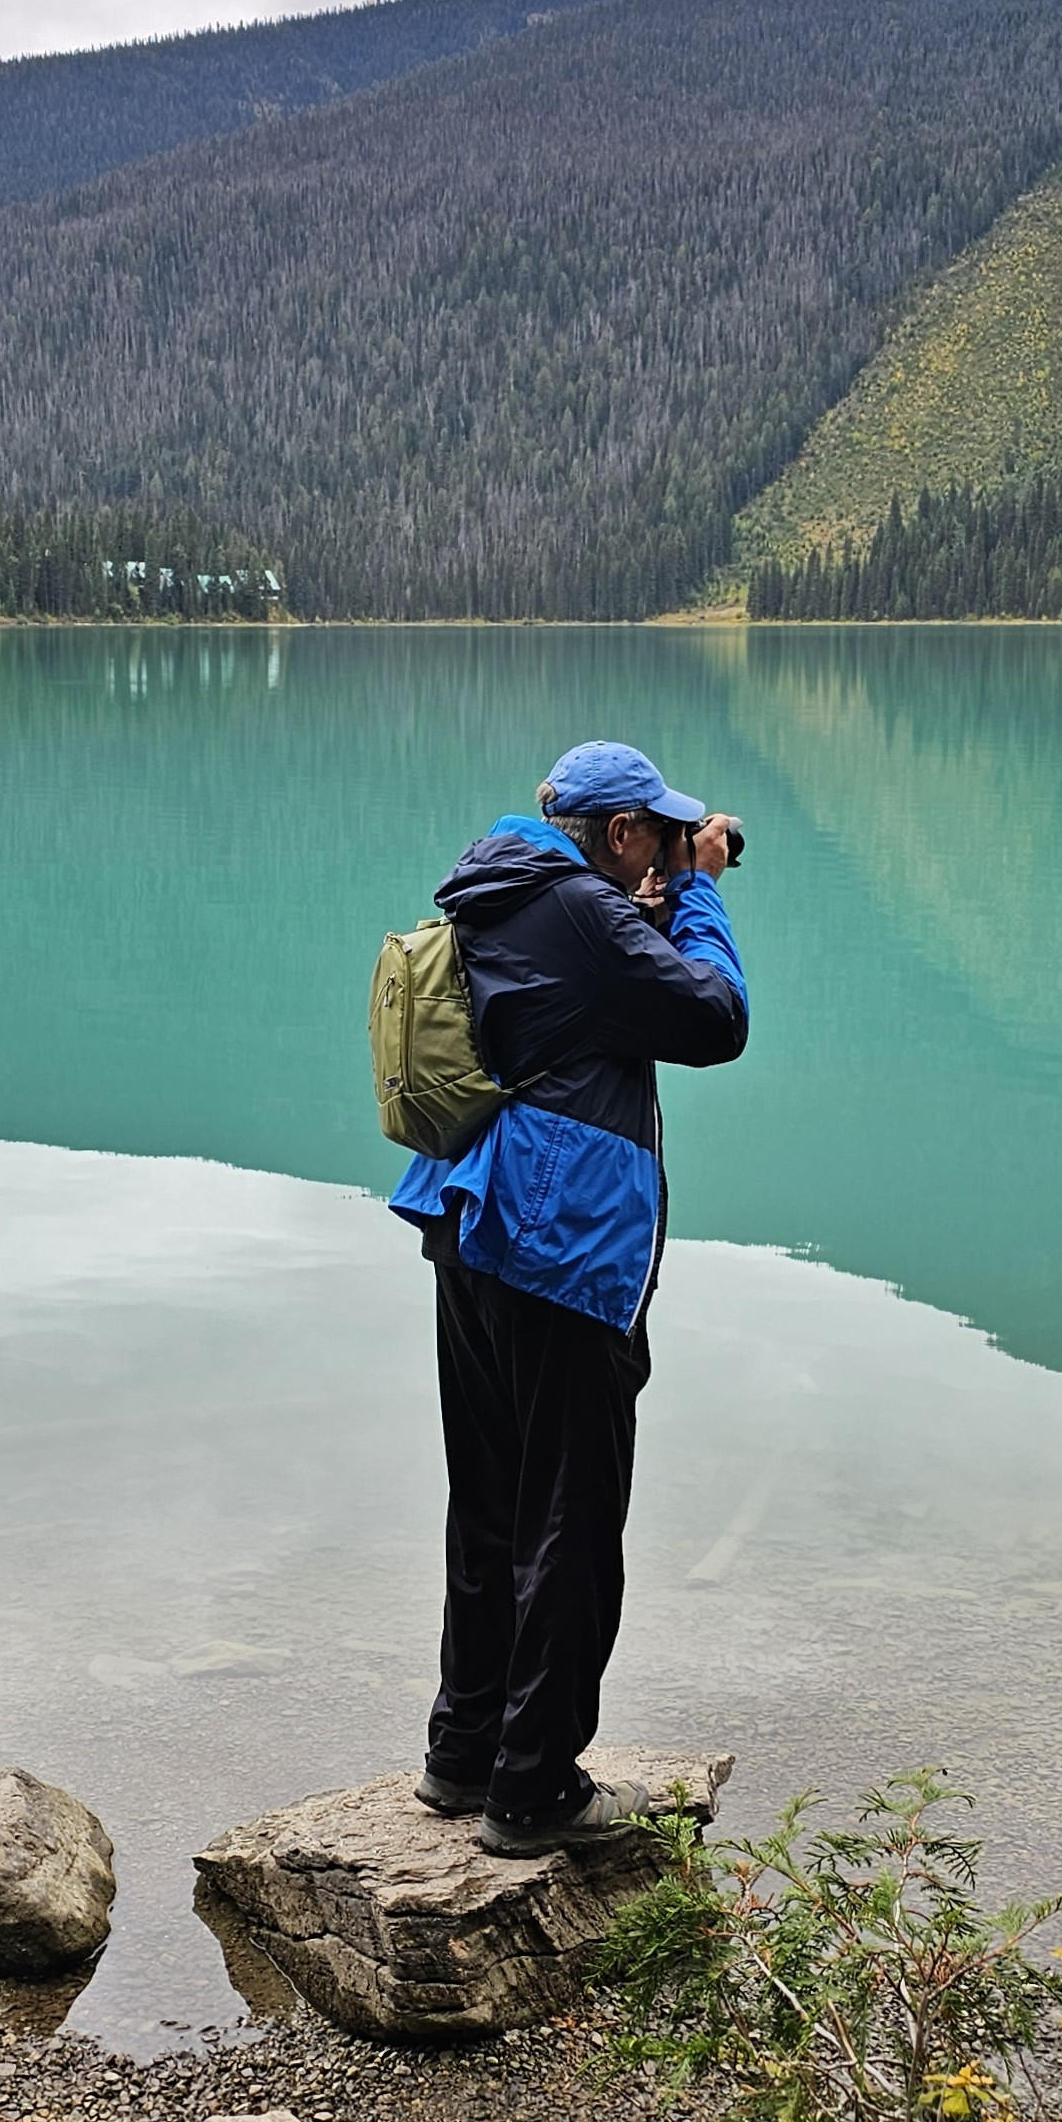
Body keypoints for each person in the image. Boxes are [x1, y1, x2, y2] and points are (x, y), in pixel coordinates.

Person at [388, 739, 748, 1854]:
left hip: (473, 1223)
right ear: (622, 832)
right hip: (564, 1244)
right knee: (573, 1516)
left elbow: (590, 991)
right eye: (659, 833)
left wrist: (646, 902)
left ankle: (463, 1754)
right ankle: (535, 1789)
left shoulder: (499, 890)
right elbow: (715, 1021)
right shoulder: (589, 914)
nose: (671, 848)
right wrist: (699, 892)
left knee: (490, 1500)